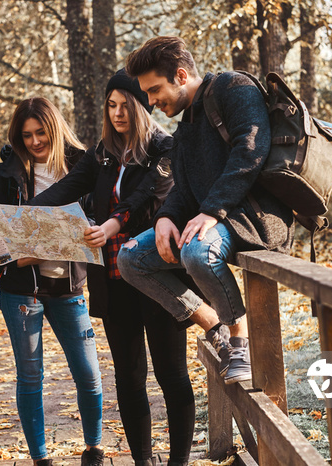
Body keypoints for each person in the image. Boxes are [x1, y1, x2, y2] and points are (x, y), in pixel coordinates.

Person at [26, 70, 195, 466]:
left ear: (142, 105)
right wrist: (20, 215)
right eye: (111, 105)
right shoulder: (101, 153)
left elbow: (145, 195)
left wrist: (114, 222)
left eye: (126, 105)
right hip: (114, 281)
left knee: (171, 373)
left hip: (159, 277)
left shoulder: (165, 150)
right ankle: (143, 461)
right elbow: (66, 189)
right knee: (130, 378)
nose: (118, 113)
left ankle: (179, 462)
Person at [117, 36, 295, 384]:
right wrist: (166, 218)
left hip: (254, 218)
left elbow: (251, 150)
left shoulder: (234, 87)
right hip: (216, 220)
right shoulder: (187, 125)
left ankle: (240, 344)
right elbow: (183, 189)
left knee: (198, 252)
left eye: (154, 91)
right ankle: (217, 330)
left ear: (181, 76)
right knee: (130, 258)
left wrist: (212, 210)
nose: (150, 103)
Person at [0, 97, 105, 466]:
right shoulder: (6, 174)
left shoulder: (84, 167)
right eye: (27, 135)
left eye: (41, 132)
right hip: (21, 291)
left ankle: (94, 448)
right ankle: (40, 458)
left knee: (89, 374)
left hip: (69, 288)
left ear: (56, 129)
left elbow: (91, 225)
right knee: (30, 377)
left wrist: (35, 247)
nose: (34, 141)